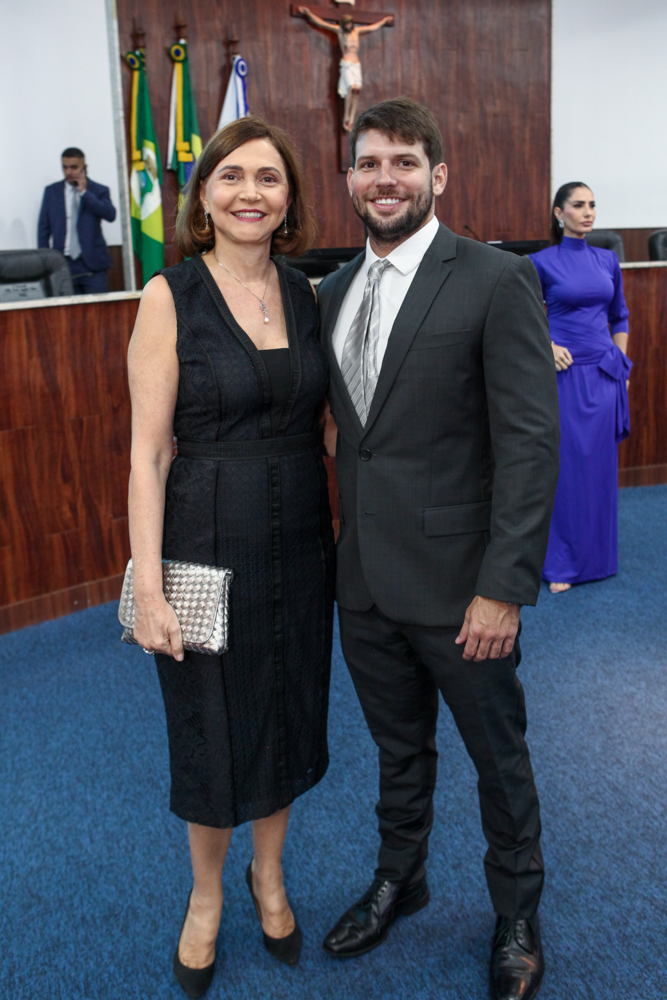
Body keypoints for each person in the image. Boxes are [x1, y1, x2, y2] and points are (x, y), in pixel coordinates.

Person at [316, 97, 559, 1000]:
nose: (385, 179)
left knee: (499, 760)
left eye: (404, 162)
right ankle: (401, 878)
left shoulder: (495, 278)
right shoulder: (331, 291)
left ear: (438, 176)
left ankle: (517, 913)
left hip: (464, 591)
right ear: (349, 177)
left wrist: (503, 588)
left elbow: (529, 444)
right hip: (364, 584)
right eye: (369, 162)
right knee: (397, 750)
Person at [126, 116, 334, 999]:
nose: (251, 192)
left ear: (288, 200)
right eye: (232, 176)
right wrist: (148, 586)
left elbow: (330, 427)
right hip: (203, 543)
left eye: (269, 178)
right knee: (211, 726)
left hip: (302, 543)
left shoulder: (308, 293)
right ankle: (206, 895)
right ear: (203, 196)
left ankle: (268, 873)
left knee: (286, 709)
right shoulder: (168, 295)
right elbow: (147, 454)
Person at [530, 183, 631, 594]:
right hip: (565, 378)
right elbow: (522, 317)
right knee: (568, 471)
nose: (588, 212)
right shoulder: (540, 263)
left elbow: (620, 316)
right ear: (559, 213)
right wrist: (548, 344)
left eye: (592, 205)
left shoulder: (608, 260)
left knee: (600, 471)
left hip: (605, 375)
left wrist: (621, 365)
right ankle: (563, 562)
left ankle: (598, 558)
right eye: (578, 205)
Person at [298, 7, 393, 131]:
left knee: (356, 90)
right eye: (347, 24)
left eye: (350, 23)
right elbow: (322, 23)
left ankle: (351, 118)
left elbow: (371, 27)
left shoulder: (356, 31)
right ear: (343, 24)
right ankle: (346, 117)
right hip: (347, 64)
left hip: (356, 64)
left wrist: (384, 21)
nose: (349, 25)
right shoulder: (339, 31)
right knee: (351, 88)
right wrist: (309, 13)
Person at [37, 146, 116, 294]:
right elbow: (43, 229)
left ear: (84, 167)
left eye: (74, 167)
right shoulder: (52, 192)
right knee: (67, 307)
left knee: (98, 307)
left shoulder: (98, 190)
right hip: (62, 263)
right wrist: (45, 262)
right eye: (65, 167)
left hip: (92, 264)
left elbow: (110, 215)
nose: (69, 172)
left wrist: (85, 193)